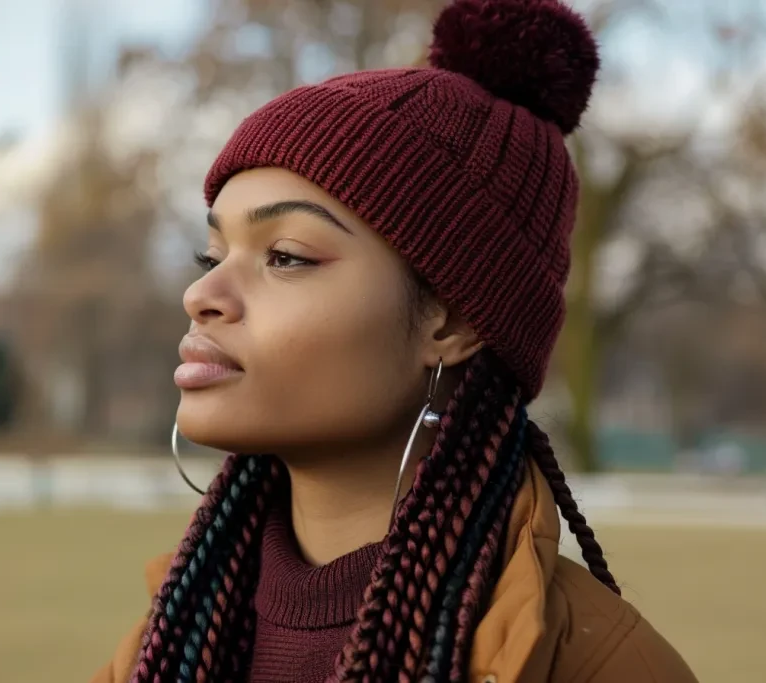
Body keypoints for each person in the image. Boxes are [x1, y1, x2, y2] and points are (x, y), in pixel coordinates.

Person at [91, 0, 699, 681]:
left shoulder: (597, 665)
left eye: (286, 255)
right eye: (213, 256)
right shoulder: (167, 639)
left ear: (455, 322)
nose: (200, 296)